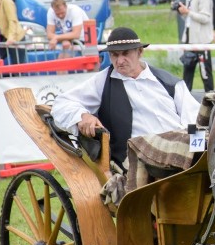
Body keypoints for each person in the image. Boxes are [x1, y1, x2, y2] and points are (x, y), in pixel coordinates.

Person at [51, 27, 200, 169]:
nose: (120, 61)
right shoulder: (103, 81)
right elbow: (61, 103)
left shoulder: (169, 82)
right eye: (114, 55)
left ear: (139, 52)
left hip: (179, 151)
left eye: (125, 53)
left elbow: (194, 119)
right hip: (137, 158)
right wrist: (82, 116)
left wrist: (198, 155)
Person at [176, 0, 214, 92]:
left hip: (202, 42)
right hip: (190, 40)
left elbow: (205, 18)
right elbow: (190, 19)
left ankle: (211, 103)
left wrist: (188, 12)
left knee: (206, 75)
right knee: (187, 74)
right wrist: (183, 13)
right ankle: (185, 102)